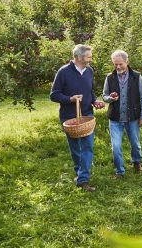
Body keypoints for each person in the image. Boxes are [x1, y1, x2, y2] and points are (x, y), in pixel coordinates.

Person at [50, 44, 105, 192]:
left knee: (88, 147)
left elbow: (90, 91)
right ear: (78, 57)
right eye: (89, 56)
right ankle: (79, 172)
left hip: (87, 115)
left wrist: (95, 101)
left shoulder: (89, 71)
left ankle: (82, 180)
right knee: (75, 150)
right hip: (69, 117)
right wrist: (70, 99)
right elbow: (54, 95)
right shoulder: (63, 72)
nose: (91, 59)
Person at [103, 50, 142, 178]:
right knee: (116, 146)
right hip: (115, 118)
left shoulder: (137, 76)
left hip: (133, 117)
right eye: (115, 64)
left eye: (120, 64)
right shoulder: (109, 77)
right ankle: (120, 171)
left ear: (127, 62)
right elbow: (104, 96)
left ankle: (137, 162)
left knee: (135, 143)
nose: (117, 67)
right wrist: (110, 98)